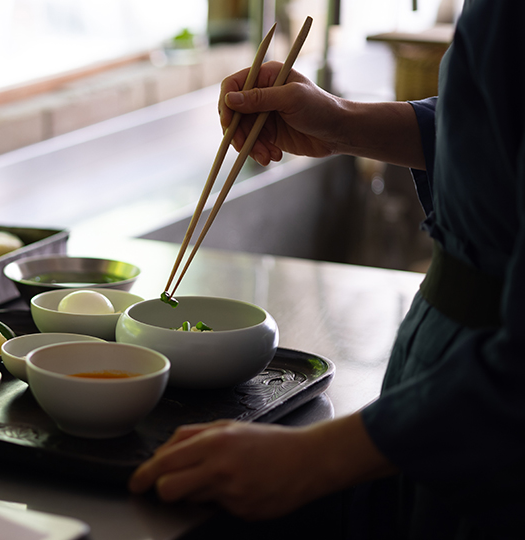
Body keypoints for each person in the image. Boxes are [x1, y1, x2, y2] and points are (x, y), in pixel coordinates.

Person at [128, 0, 525, 538]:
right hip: (441, 383)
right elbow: (493, 123)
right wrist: (342, 123)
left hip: (482, 417)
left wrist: (316, 457)